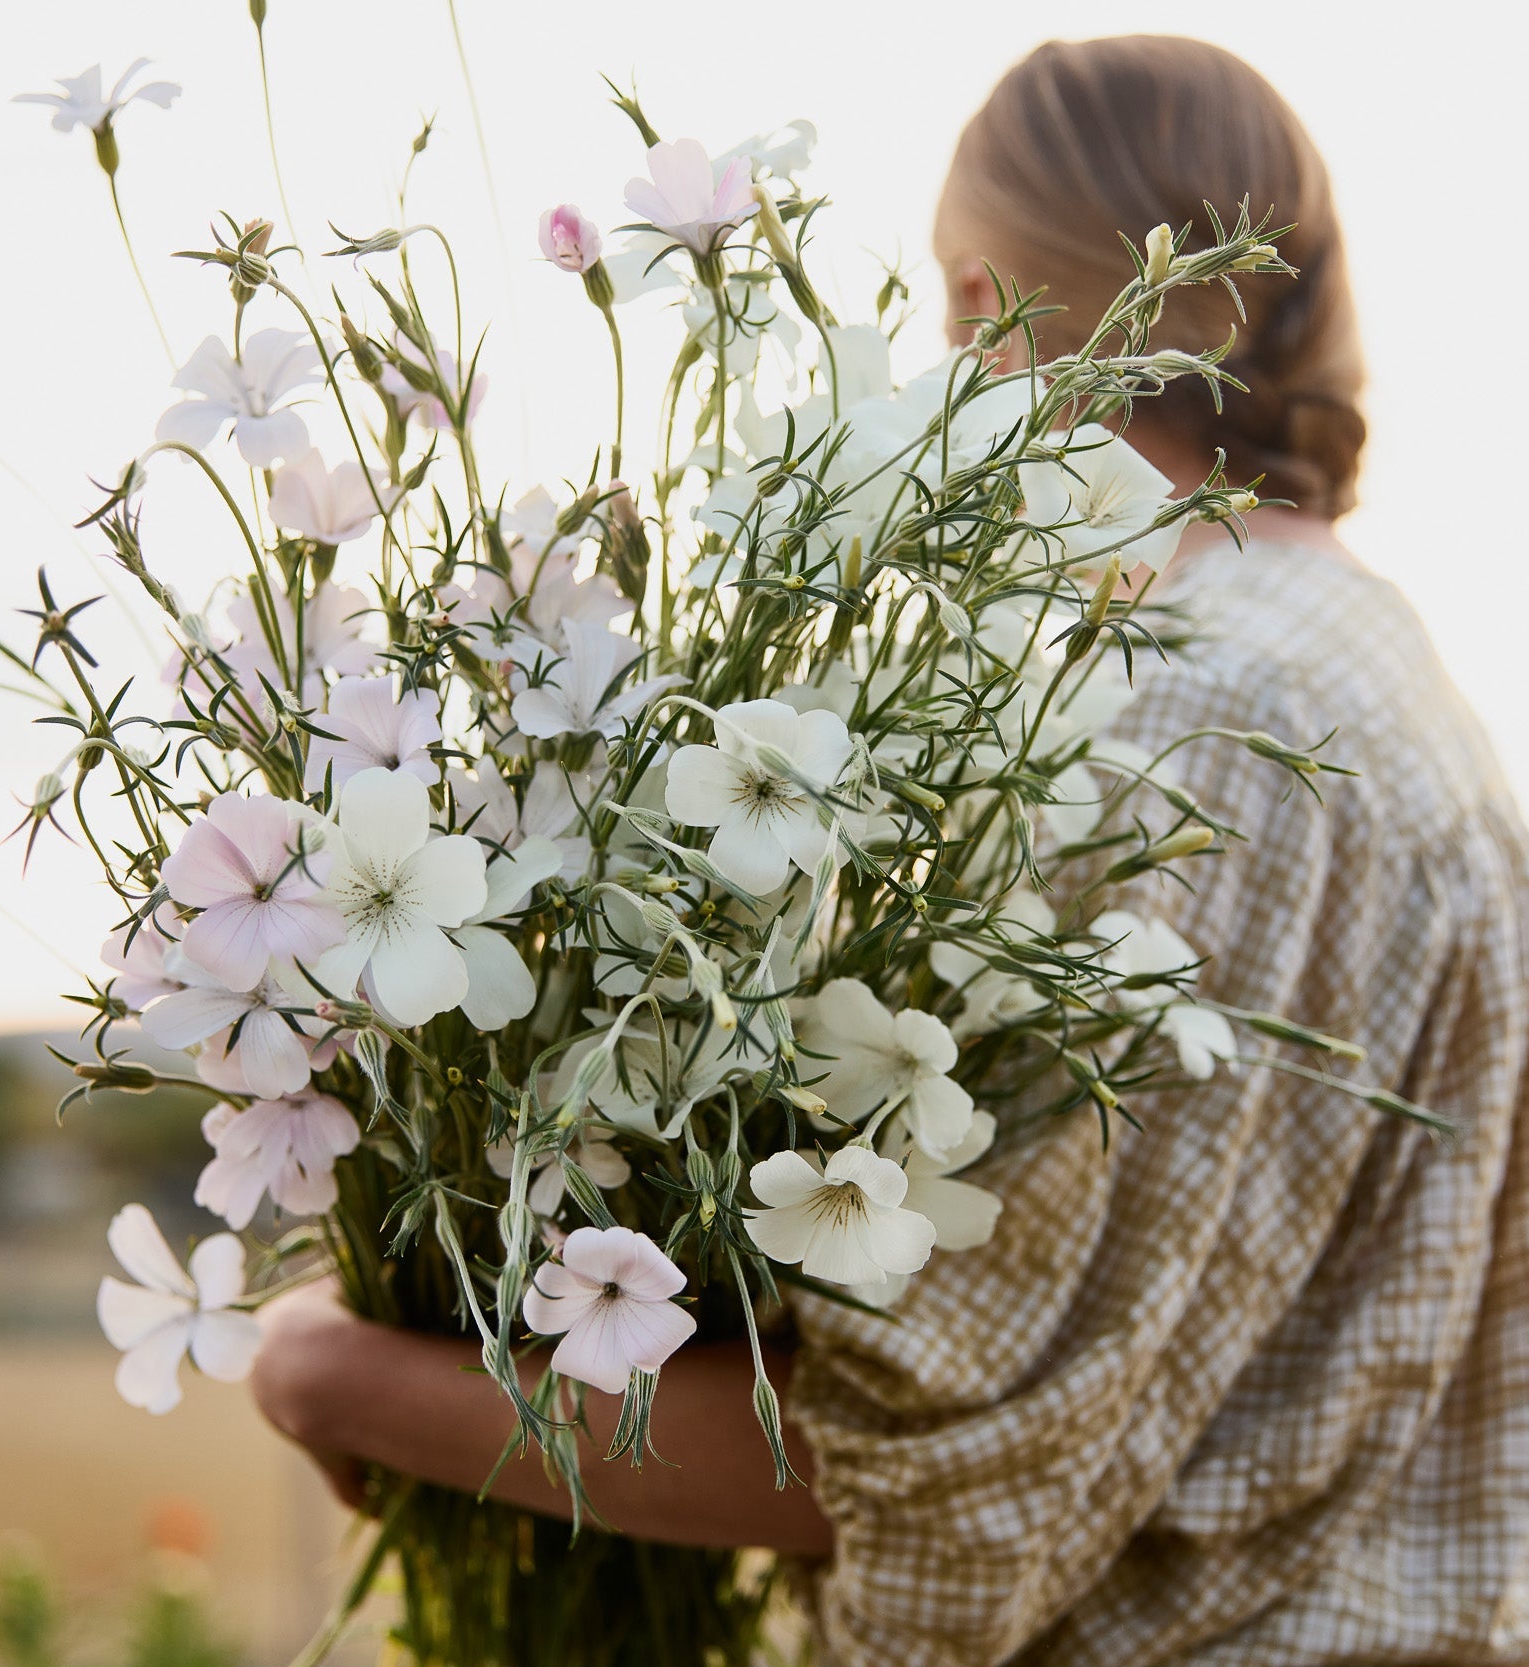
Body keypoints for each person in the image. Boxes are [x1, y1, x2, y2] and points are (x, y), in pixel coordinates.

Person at [251, 35, 1529, 1665]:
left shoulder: (1191, 709)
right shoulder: (1362, 659)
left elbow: (941, 1458)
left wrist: (342, 1375)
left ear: (987, 302)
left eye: (944, 307)